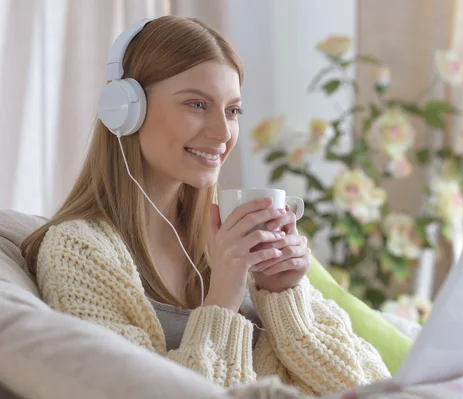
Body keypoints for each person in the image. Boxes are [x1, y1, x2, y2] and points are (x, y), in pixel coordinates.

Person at [21, 16, 390, 396]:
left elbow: (368, 383)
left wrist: (285, 296)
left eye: (232, 110)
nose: (222, 132)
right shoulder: (77, 251)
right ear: (125, 110)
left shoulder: (235, 236)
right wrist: (224, 296)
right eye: (197, 104)